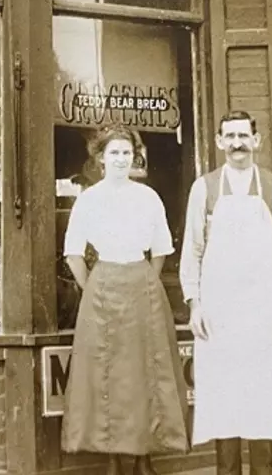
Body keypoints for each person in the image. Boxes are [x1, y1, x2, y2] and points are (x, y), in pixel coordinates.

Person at [178, 110, 272, 475]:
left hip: (264, 311)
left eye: (243, 136)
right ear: (219, 142)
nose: (237, 144)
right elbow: (193, 251)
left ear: (256, 140)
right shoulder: (205, 187)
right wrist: (194, 305)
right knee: (225, 397)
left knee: (262, 397)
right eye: (229, 137)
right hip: (219, 314)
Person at [61, 124, 188, 475]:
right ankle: (114, 459)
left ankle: (144, 457)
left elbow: (161, 248)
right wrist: (94, 287)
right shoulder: (89, 199)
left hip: (141, 285)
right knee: (108, 373)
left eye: (126, 153)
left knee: (145, 370)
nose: (120, 159)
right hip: (103, 285)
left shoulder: (147, 197)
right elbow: (73, 253)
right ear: (101, 159)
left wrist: (143, 276)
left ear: (135, 157)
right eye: (114, 153)